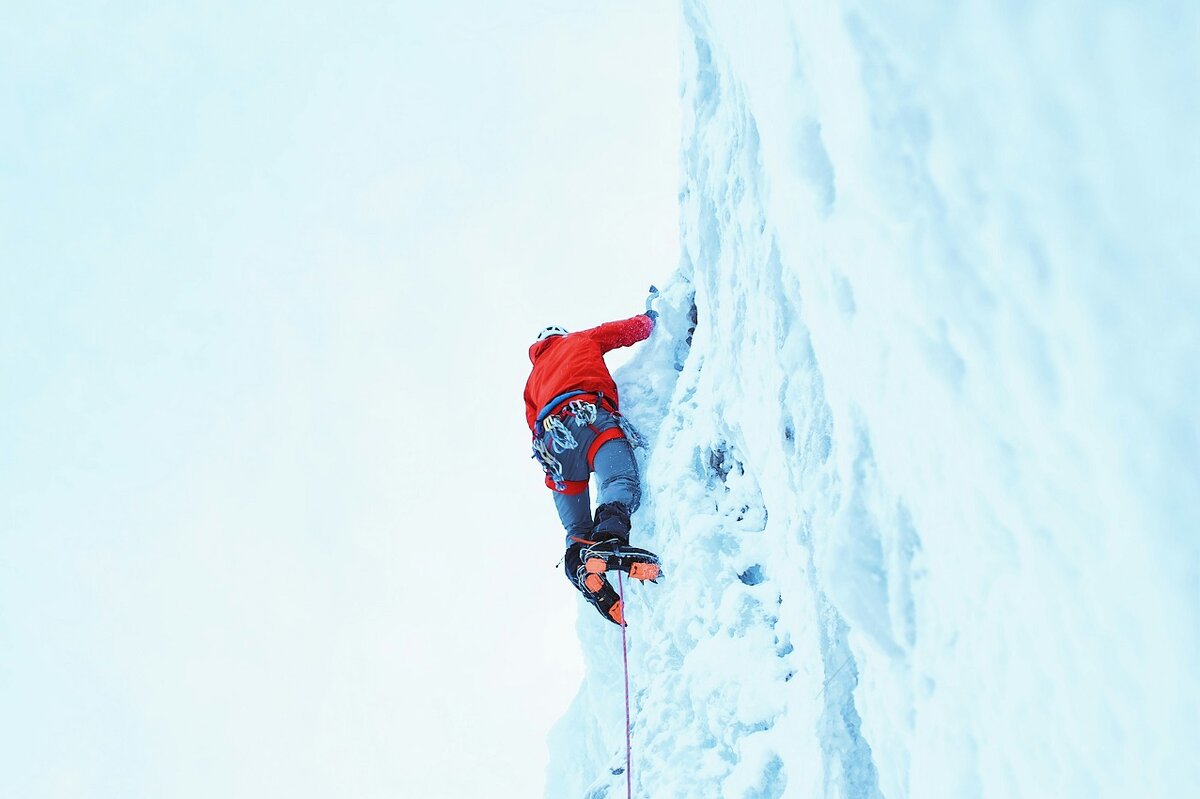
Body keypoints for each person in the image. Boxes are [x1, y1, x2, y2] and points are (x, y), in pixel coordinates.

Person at [525, 310, 661, 625]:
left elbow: (532, 425)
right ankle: (609, 541)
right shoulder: (579, 339)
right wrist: (651, 320)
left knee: (576, 529)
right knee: (619, 481)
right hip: (589, 417)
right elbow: (620, 332)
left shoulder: (532, 382)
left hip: (553, 445)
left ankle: (582, 567)